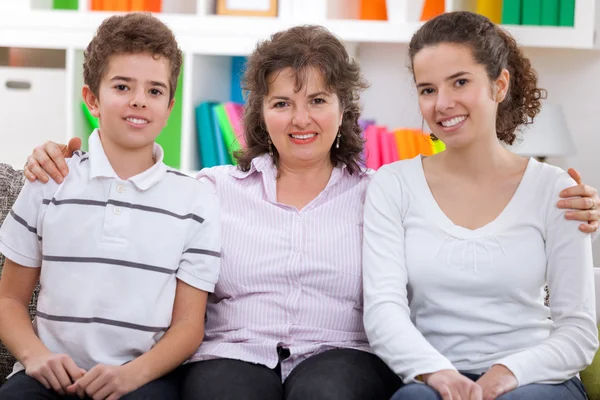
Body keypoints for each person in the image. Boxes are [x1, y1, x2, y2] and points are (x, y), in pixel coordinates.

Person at [22, 24, 600, 400]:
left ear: (344, 109)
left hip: (339, 351)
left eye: (318, 101)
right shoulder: (211, 187)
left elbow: (457, 215)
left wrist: (583, 205)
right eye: (282, 103)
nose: (301, 119)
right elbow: (139, 176)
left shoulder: (380, 191)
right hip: (235, 348)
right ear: (259, 113)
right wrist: (63, 152)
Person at [362, 11, 598, 400]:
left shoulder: (554, 189)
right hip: (433, 378)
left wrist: (507, 373)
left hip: (535, 378)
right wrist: (438, 373)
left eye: (460, 82)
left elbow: (578, 332)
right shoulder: (392, 185)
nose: (443, 104)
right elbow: (384, 310)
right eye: (427, 89)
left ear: (499, 84)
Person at [0, 13, 221, 400]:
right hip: (47, 375)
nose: (138, 99)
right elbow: (8, 300)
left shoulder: (196, 200)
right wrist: (36, 357)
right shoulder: (50, 180)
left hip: (142, 380)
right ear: (92, 99)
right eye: (122, 86)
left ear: (169, 107)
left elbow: (189, 325)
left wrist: (132, 376)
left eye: (154, 91)